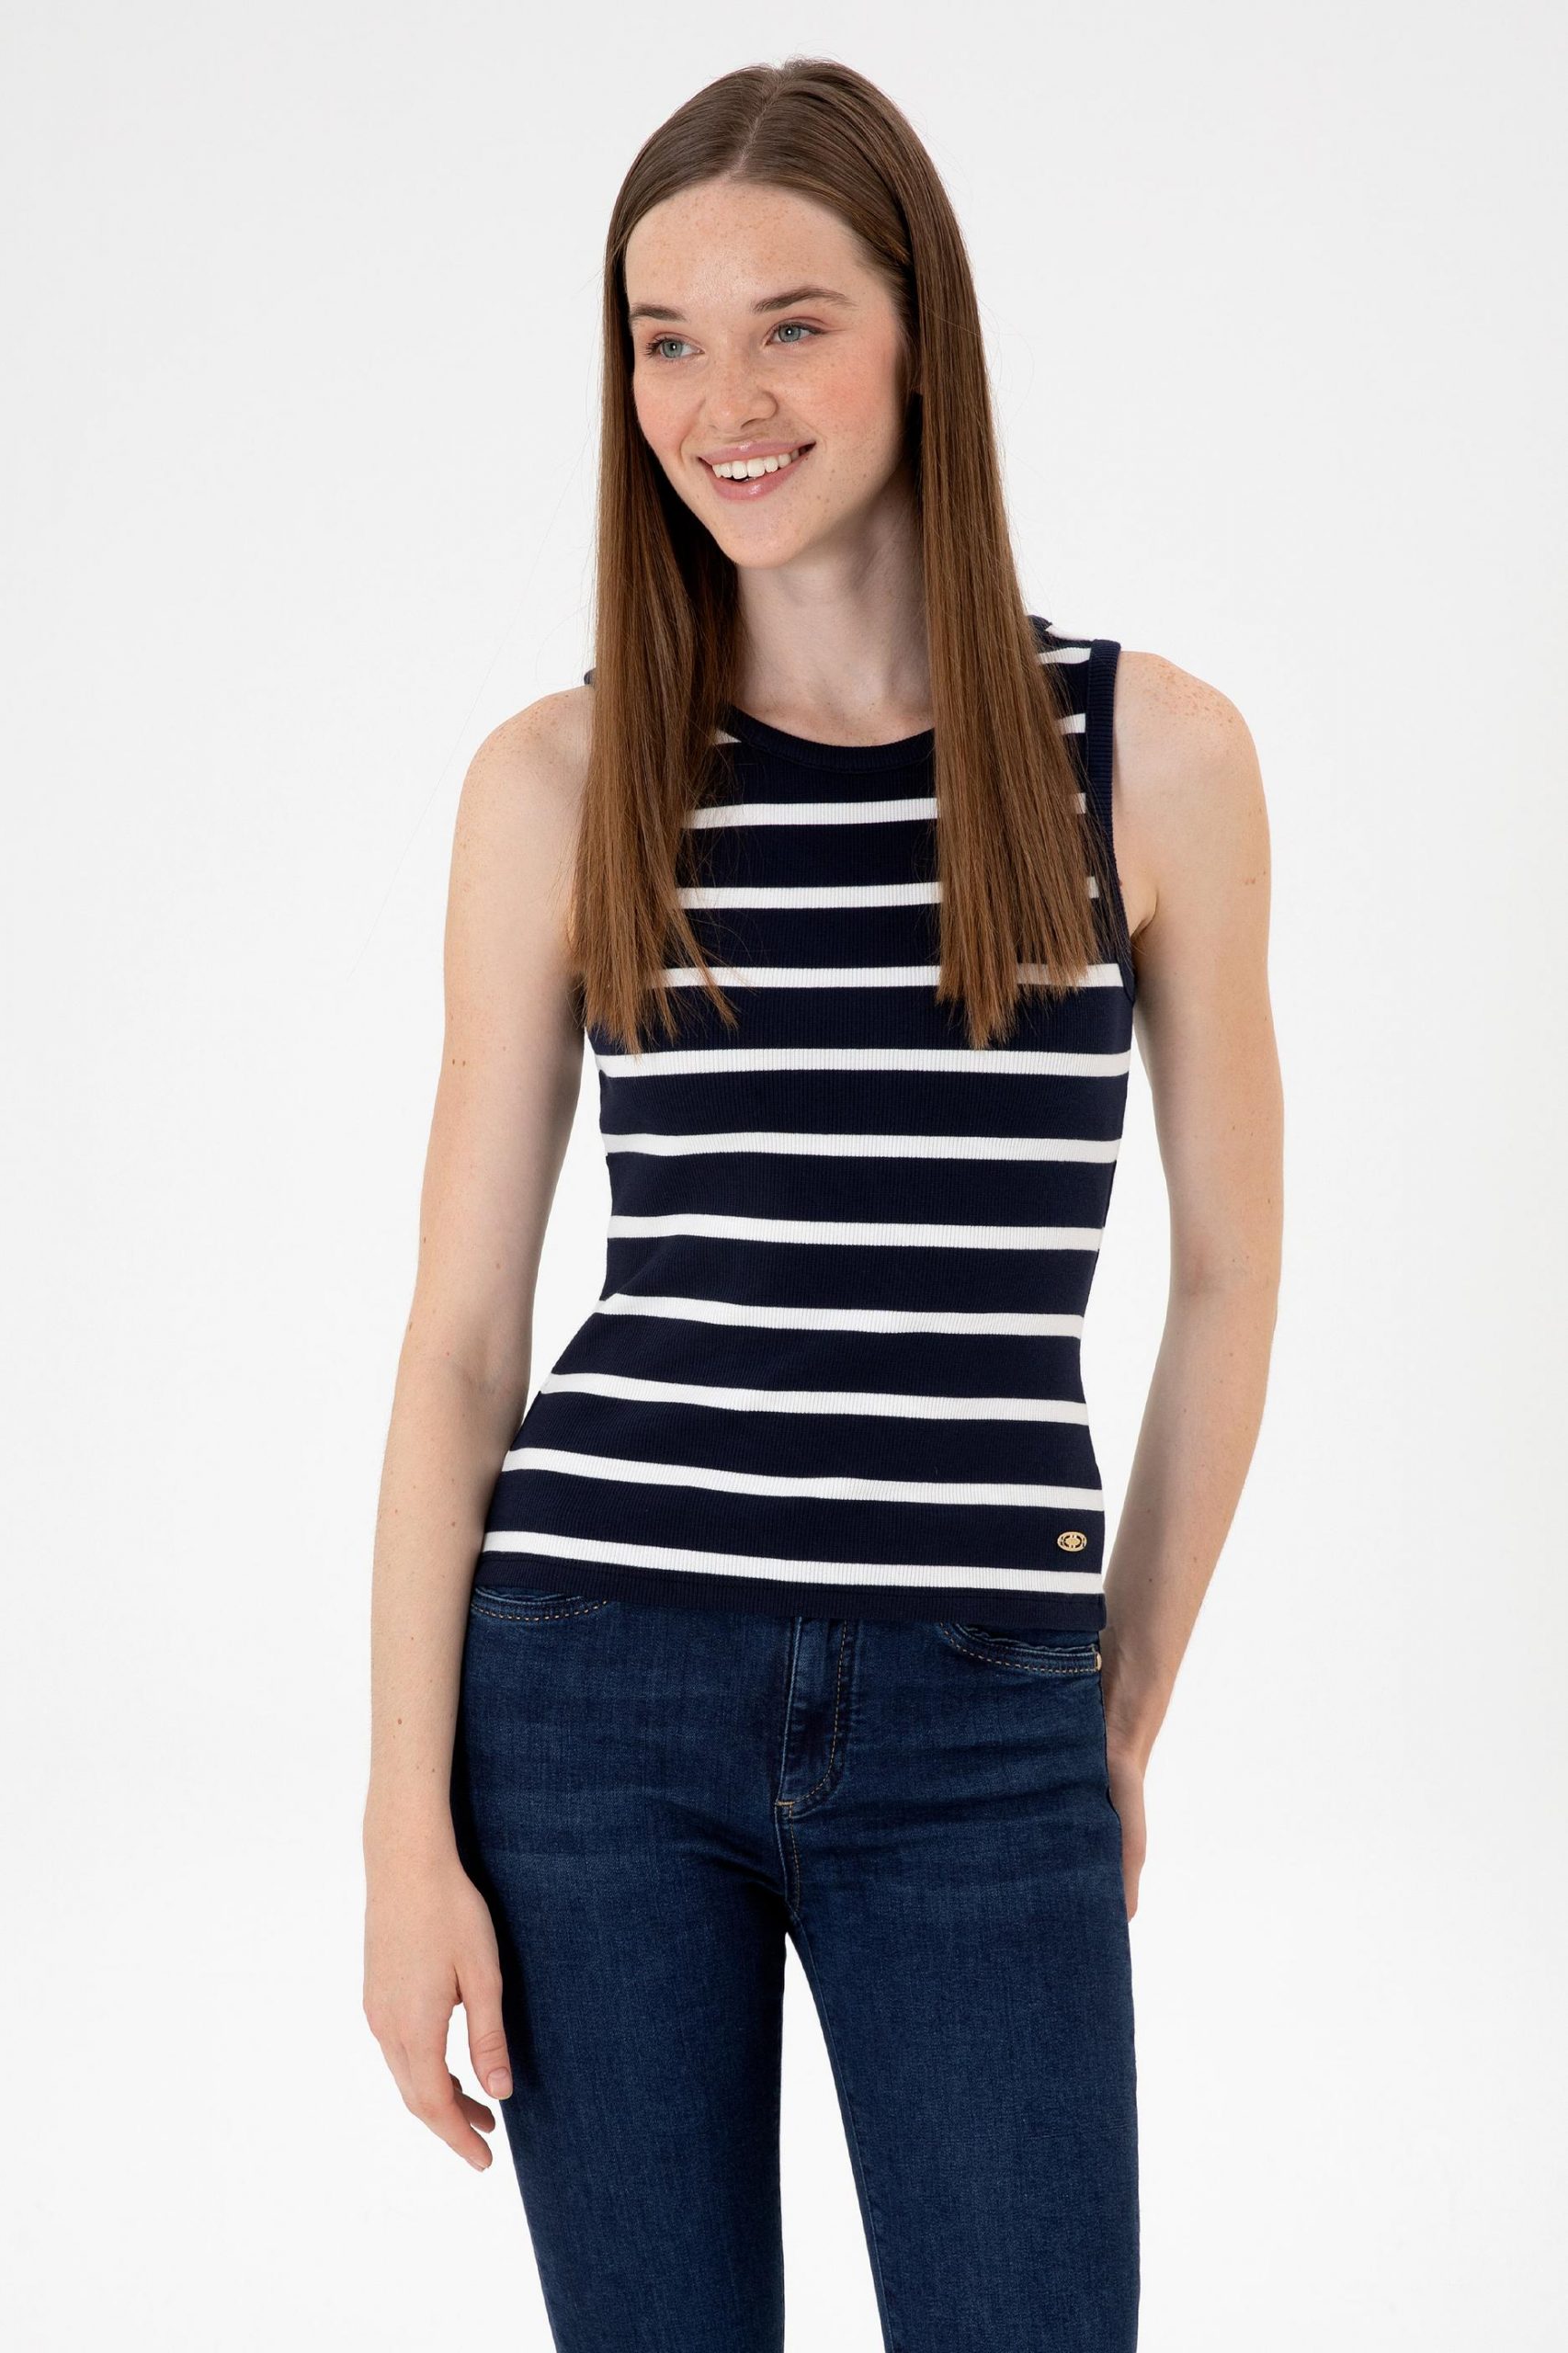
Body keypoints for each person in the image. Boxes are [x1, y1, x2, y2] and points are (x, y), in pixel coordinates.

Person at [361, 55, 1282, 2353]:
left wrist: (1117, 1704)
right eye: (664, 340)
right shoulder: (561, 778)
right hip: (587, 1694)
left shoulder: (1145, 757)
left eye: (789, 323)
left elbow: (1227, 1272)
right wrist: (400, 1826)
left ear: (917, 335)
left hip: (982, 1707)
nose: (721, 401)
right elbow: (461, 1342)